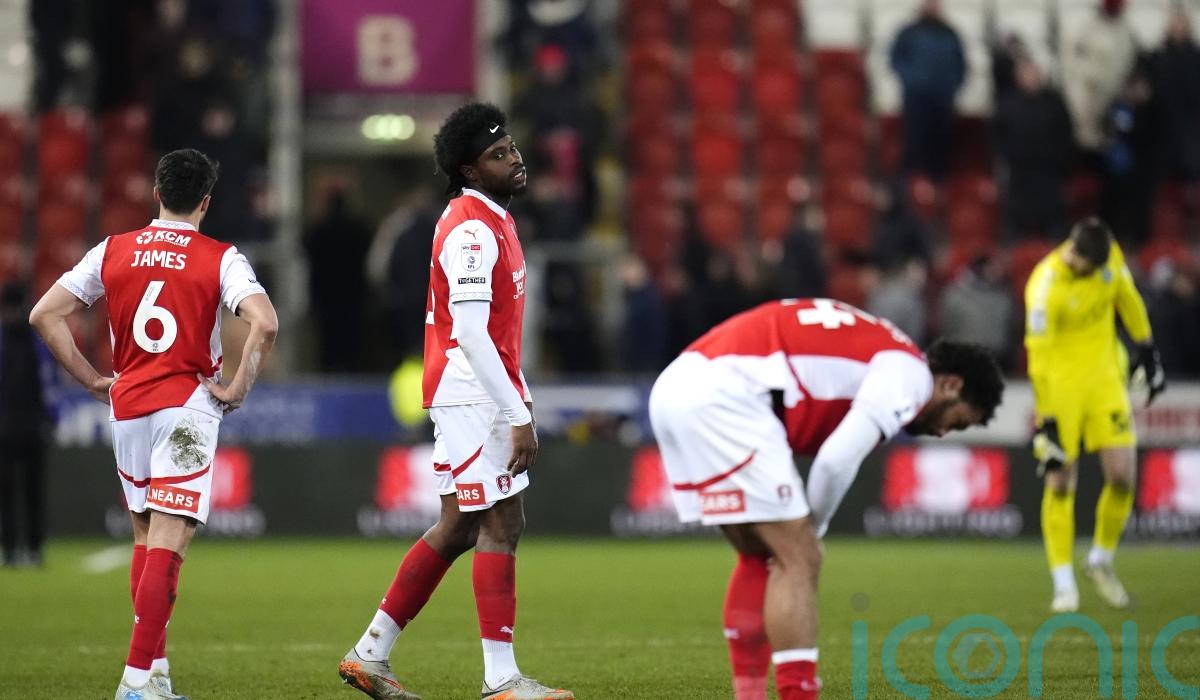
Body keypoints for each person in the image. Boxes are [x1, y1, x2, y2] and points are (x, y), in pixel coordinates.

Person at [648, 298, 1004, 700]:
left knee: (757, 554)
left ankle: (750, 694)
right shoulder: (911, 377)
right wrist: (810, 532)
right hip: (726, 396)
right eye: (957, 422)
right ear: (951, 384)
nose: (942, 433)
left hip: (678, 384)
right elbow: (836, 461)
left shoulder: (885, 347)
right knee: (799, 557)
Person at [338, 103, 573, 700]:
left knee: (459, 526)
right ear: (469, 171)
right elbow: (469, 332)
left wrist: (517, 395)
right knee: (502, 522)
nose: (515, 159)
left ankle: (370, 653)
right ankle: (501, 680)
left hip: (475, 390)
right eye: (498, 155)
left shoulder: (492, 217)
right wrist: (515, 413)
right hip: (472, 394)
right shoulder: (471, 230)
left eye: (512, 147)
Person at [29, 148, 277, 700]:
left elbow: (43, 314)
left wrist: (92, 380)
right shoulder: (222, 257)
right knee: (171, 537)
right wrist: (237, 388)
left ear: (157, 194)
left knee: (145, 535)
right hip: (186, 408)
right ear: (205, 203)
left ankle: (156, 676)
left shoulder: (111, 249)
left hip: (128, 406)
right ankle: (136, 682)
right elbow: (265, 322)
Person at [1024, 217, 1165, 613]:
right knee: (1060, 482)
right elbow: (1038, 359)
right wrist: (1048, 419)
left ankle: (1100, 560)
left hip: (1105, 381)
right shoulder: (1044, 287)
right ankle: (1063, 584)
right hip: (1061, 388)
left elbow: (1128, 299)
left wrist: (1147, 350)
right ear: (1074, 252)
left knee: (1122, 477)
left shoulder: (1109, 257)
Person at [0, 283, 53, 567]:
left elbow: (47, 384)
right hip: (24, 426)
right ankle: (24, 548)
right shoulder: (36, 339)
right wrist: (49, 419)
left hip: (17, 426)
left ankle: (20, 549)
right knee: (23, 492)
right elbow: (48, 384)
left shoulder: (25, 339)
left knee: (19, 492)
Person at [993, 55, 1073, 240]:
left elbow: (1065, 134)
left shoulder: (1054, 102)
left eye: (1034, 73)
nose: (1031, 78)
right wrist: (1008, 154)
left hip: (1048, 173)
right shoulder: (1007, 103)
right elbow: (996, 135)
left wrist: (1059, 159)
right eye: (1026, 73)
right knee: (1015, 224)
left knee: (1054, 225)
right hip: (1019, 174)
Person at [889, 0, 966, 180]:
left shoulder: (950, 34)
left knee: (942, 146)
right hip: (916, 100)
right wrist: (913, 81)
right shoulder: (909, 33)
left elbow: (961, 65)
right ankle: (913, 187)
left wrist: (951, 85)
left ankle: (939, 185)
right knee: (916, 143)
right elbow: (895, 60)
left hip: (943, 99)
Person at [1061, 0, 1137, 159]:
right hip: (1086, 85)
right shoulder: (1088, 26)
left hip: (1111, 93)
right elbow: (1072, 55)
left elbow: (1126, 64)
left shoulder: (1125, 33)